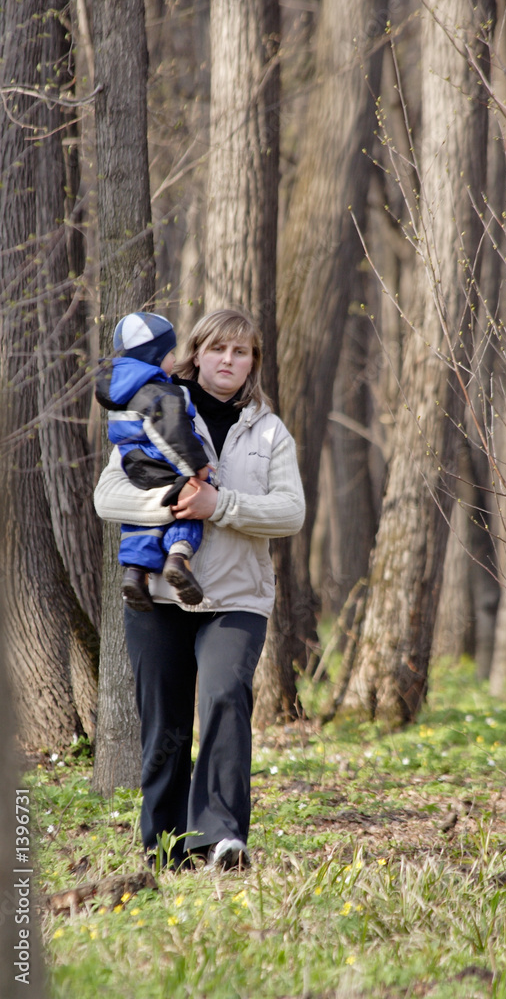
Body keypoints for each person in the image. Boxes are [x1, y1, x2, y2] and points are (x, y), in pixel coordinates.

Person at [94, 307, 305, 870]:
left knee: (222, 699)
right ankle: (163, 845)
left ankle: (219, 839)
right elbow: (107, 496)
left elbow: (290, 513)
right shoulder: (156, 404)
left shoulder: (267, 429)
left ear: (253, 362)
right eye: (218, 349)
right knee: (163, 719)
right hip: (158, 595)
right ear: (196, 353)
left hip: (236, 597)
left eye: (241, 352)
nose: (228, 361)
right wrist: (173, 502)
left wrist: (222, 506)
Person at [95, 311, 211, 611]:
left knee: (137, 521)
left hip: (135, 465)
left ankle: (136, 574)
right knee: (191, 503)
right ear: (155, 355)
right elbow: (173, 435)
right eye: (170, 352)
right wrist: (195, 469)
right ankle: (178, 558)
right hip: (164, 462)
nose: (173, 359)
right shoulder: (160, 393)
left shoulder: (122, 392)